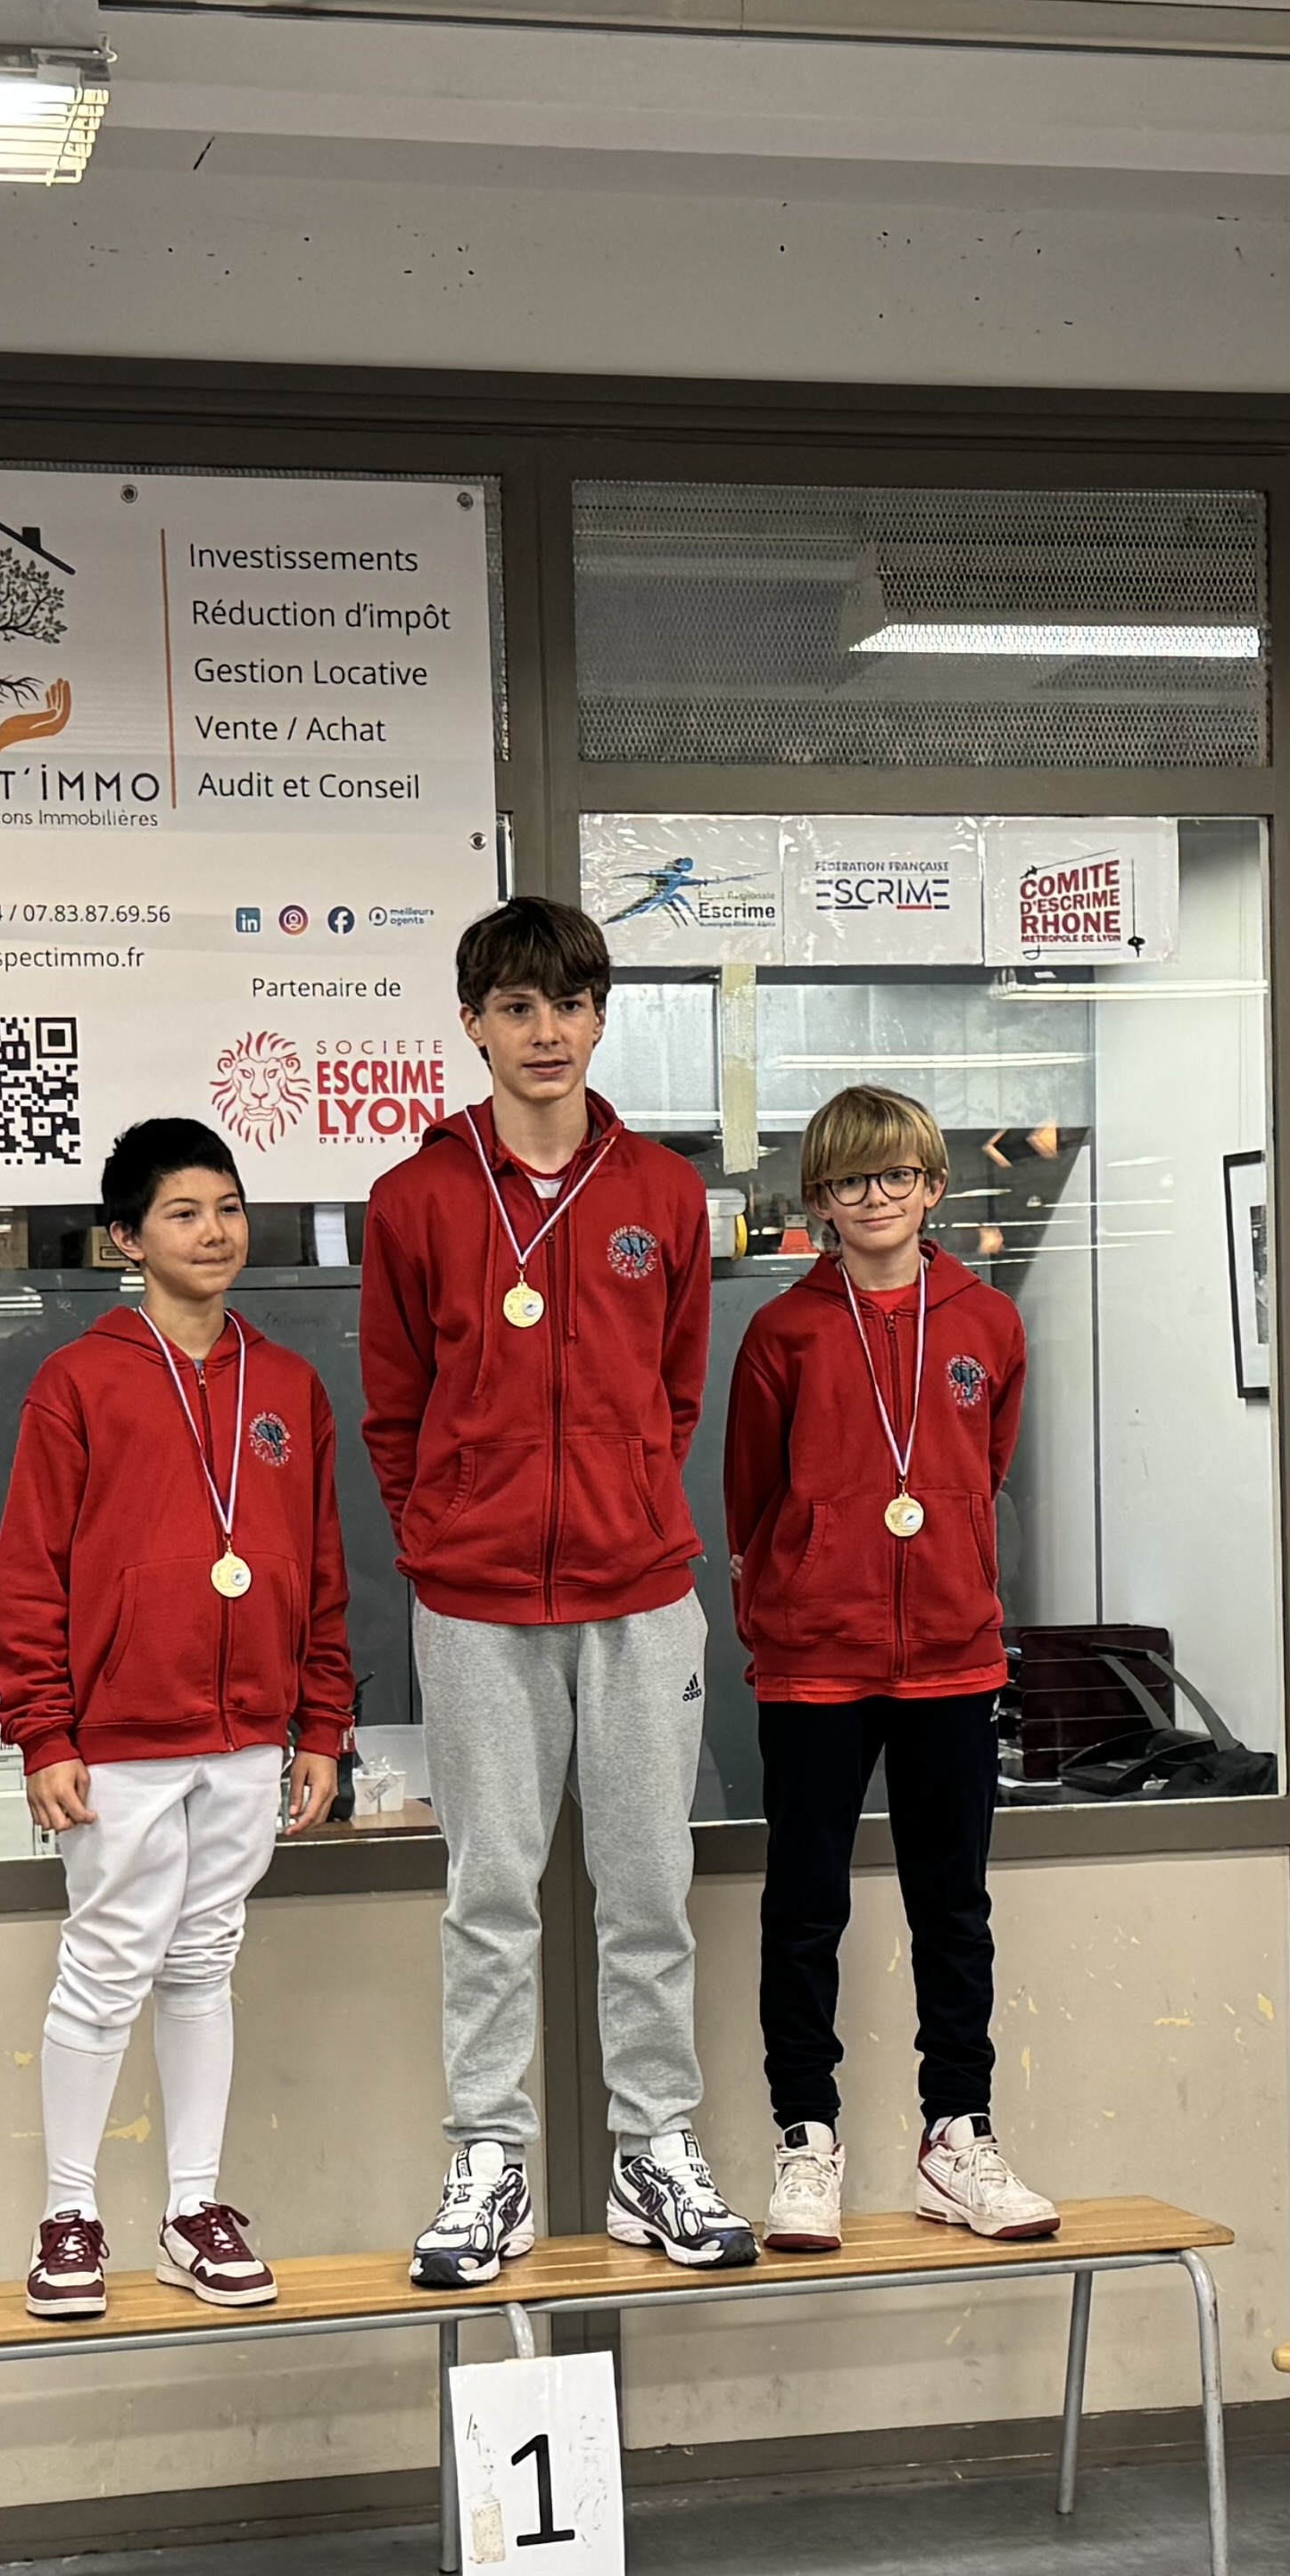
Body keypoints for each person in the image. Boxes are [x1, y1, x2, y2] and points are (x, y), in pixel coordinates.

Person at [367, 897, 755, 2288]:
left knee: (649, 1883)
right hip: (476, 1601)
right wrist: (450, 1529)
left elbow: (676, 1389)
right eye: (518, 1007)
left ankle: (656, 2149)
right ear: (472, 1022)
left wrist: (626, 1500)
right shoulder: (415, 1197)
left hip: (637, 1590)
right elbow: (394, 1406)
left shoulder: (659, 1192)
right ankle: (491, 2159)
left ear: (600, 1017)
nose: (546, 1031)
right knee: (489, 1892)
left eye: (570, 1004)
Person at [0, 1119, 351, 2317]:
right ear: (126, 1239)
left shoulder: (287, 1384)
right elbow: (30, 1571)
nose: (215, 1231)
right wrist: (43, 1730)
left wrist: (322, 1723)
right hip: (120, 1738)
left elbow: (322, 1567)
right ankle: (67, 2215)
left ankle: (194, 2206)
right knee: (105, 1965)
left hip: (249, 1734)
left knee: (204, 1960)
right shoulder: (78, 1381)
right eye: (183, 1212)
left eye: (229, 1207)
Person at [723, 1083, 1054, 2251]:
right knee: (805, 1905)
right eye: (851, 1180)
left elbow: (983, 1471)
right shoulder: (784, 1333)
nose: (875, 1197)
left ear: (933, 1187)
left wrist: (945, 1563)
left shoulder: (987, 1322)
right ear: (819, 1198)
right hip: (815, 1659)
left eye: (896, 1176)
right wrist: (795, 1597)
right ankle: (805, 2138)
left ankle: (957, 2135)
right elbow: (752, 1496)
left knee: (952, 1908)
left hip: (953, 1658)